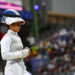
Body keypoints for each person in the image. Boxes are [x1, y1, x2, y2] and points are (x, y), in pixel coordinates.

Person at [1, 9, 31, 75]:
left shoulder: (17, 37)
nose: (19, 26)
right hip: (12, 70)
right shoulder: (6, 38)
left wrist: (25, 53)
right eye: (16, 24)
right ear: (10, 24)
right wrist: (21, 53)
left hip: (21, 67)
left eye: (19, 24)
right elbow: (5, 55)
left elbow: (18, 54)